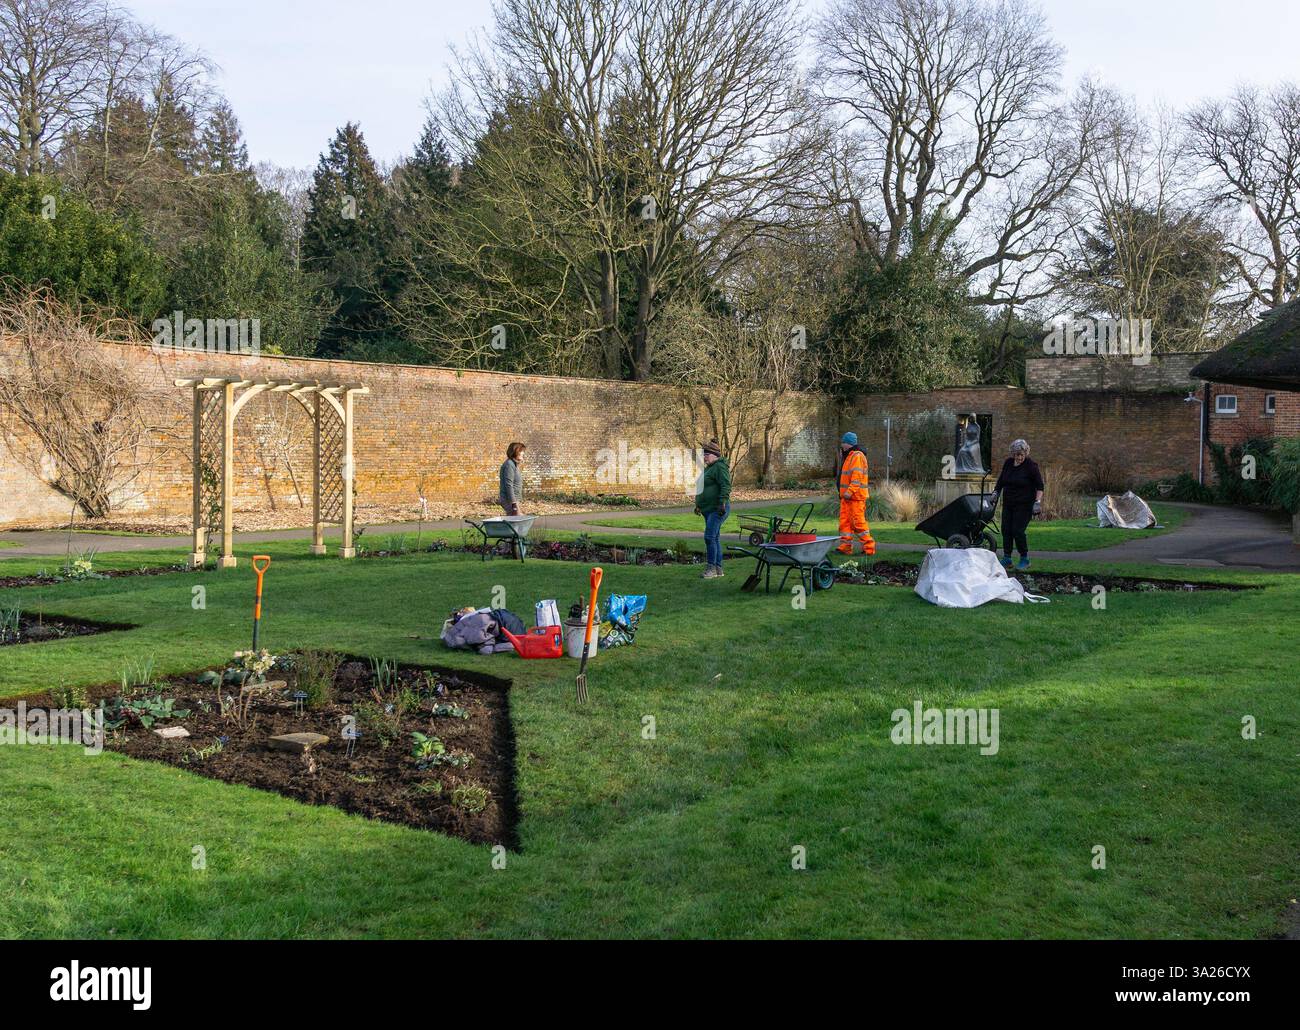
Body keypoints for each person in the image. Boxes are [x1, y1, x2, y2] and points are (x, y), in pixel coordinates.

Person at [993, 438, 1044, 570]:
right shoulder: (1008, 463)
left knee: (1017, 531)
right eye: (1017, 454)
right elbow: (1001, 481)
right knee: (1006, 530)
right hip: (1009, 503)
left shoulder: (1031, 466)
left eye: (1022, 454)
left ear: (1025, 453)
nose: (1019, 457)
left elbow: (1040, 487)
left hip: (1024, 505)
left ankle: (1024, 558)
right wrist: (995, 493)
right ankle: (1007, 558)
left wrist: (1037, 502)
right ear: (1013, 454)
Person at [693, 439, 731, 579]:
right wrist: (699, 505)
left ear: (715, 454)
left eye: (706, 454)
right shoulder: (710, 468)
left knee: (709, 537)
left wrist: (722, 503)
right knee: (714, 538)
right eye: (703, 455)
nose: (704, 457)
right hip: (708, 509)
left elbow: (726, 486)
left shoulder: (720, 467)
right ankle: (718, 569)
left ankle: (711, 568)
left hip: (717, 509)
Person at [837, 432, 875, 556]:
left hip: (854, 498)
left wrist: (849, 492)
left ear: (847, 443)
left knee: (858, 523)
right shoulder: (850, 456)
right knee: (845, 524)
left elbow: (856, 478)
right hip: (847, 498)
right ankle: (845, 547)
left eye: (843, 443)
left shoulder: (856, 456)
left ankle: (869, 549)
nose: (842, 445)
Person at [498, 442, 525, 516]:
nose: (523, 453)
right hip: (509, 500)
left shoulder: (514, 464)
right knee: (516, 521)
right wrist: (514, 504)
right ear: (515, 452)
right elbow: (508, 485)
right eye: (521, 451)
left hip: (513, 500)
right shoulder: (509, 465)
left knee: (516, 521)